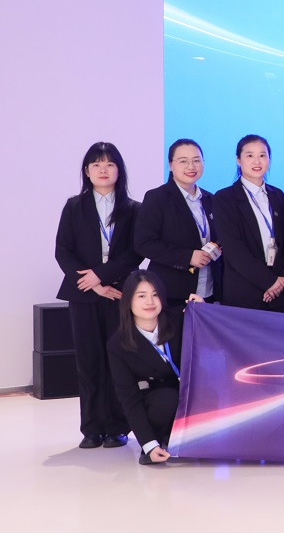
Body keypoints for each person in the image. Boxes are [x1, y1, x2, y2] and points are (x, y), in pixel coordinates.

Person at [55, 142, 142, 450]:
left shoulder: (133, 209)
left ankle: (118, 426)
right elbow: (63, 251)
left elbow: (135, 252)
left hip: (118, 293)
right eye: (96, 164)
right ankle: (91, 428)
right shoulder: (73, 206)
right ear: (87, 171)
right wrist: (92, 283)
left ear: (119, 170)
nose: (103, 170)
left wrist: (102, 277)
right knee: (89, 361)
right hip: (84, 294)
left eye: (110, 164)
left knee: (119, 360)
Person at [135, 139, 221, 314]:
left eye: (196, 160)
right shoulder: (157, 198)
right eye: (183, 161)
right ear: (170, 164)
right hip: (172, 292)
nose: (191, 166)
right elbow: (144, 243)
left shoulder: (211, 199)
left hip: (209, 291)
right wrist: (188, 257)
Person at [212, 135, 284, 313]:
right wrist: (269, 282)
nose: (257, 161)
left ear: (269, 159)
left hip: (278, 295)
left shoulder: (278, 195)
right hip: (243, 293)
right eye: (250, 155)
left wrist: (283, 279)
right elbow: (234, 249)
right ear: (238, 160)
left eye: (262, 155)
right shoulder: (225, 198)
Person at [107, 270, 182, 465]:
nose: (150, 302)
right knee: (167, 399)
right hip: (159, 399)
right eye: (141, 296)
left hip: (193, 391)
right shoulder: (118, 344)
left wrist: (202, 309)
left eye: (155, 295)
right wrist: (149, 445)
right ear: (128, 301)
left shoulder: (180, 320)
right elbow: (129, 398)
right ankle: (157, 441)